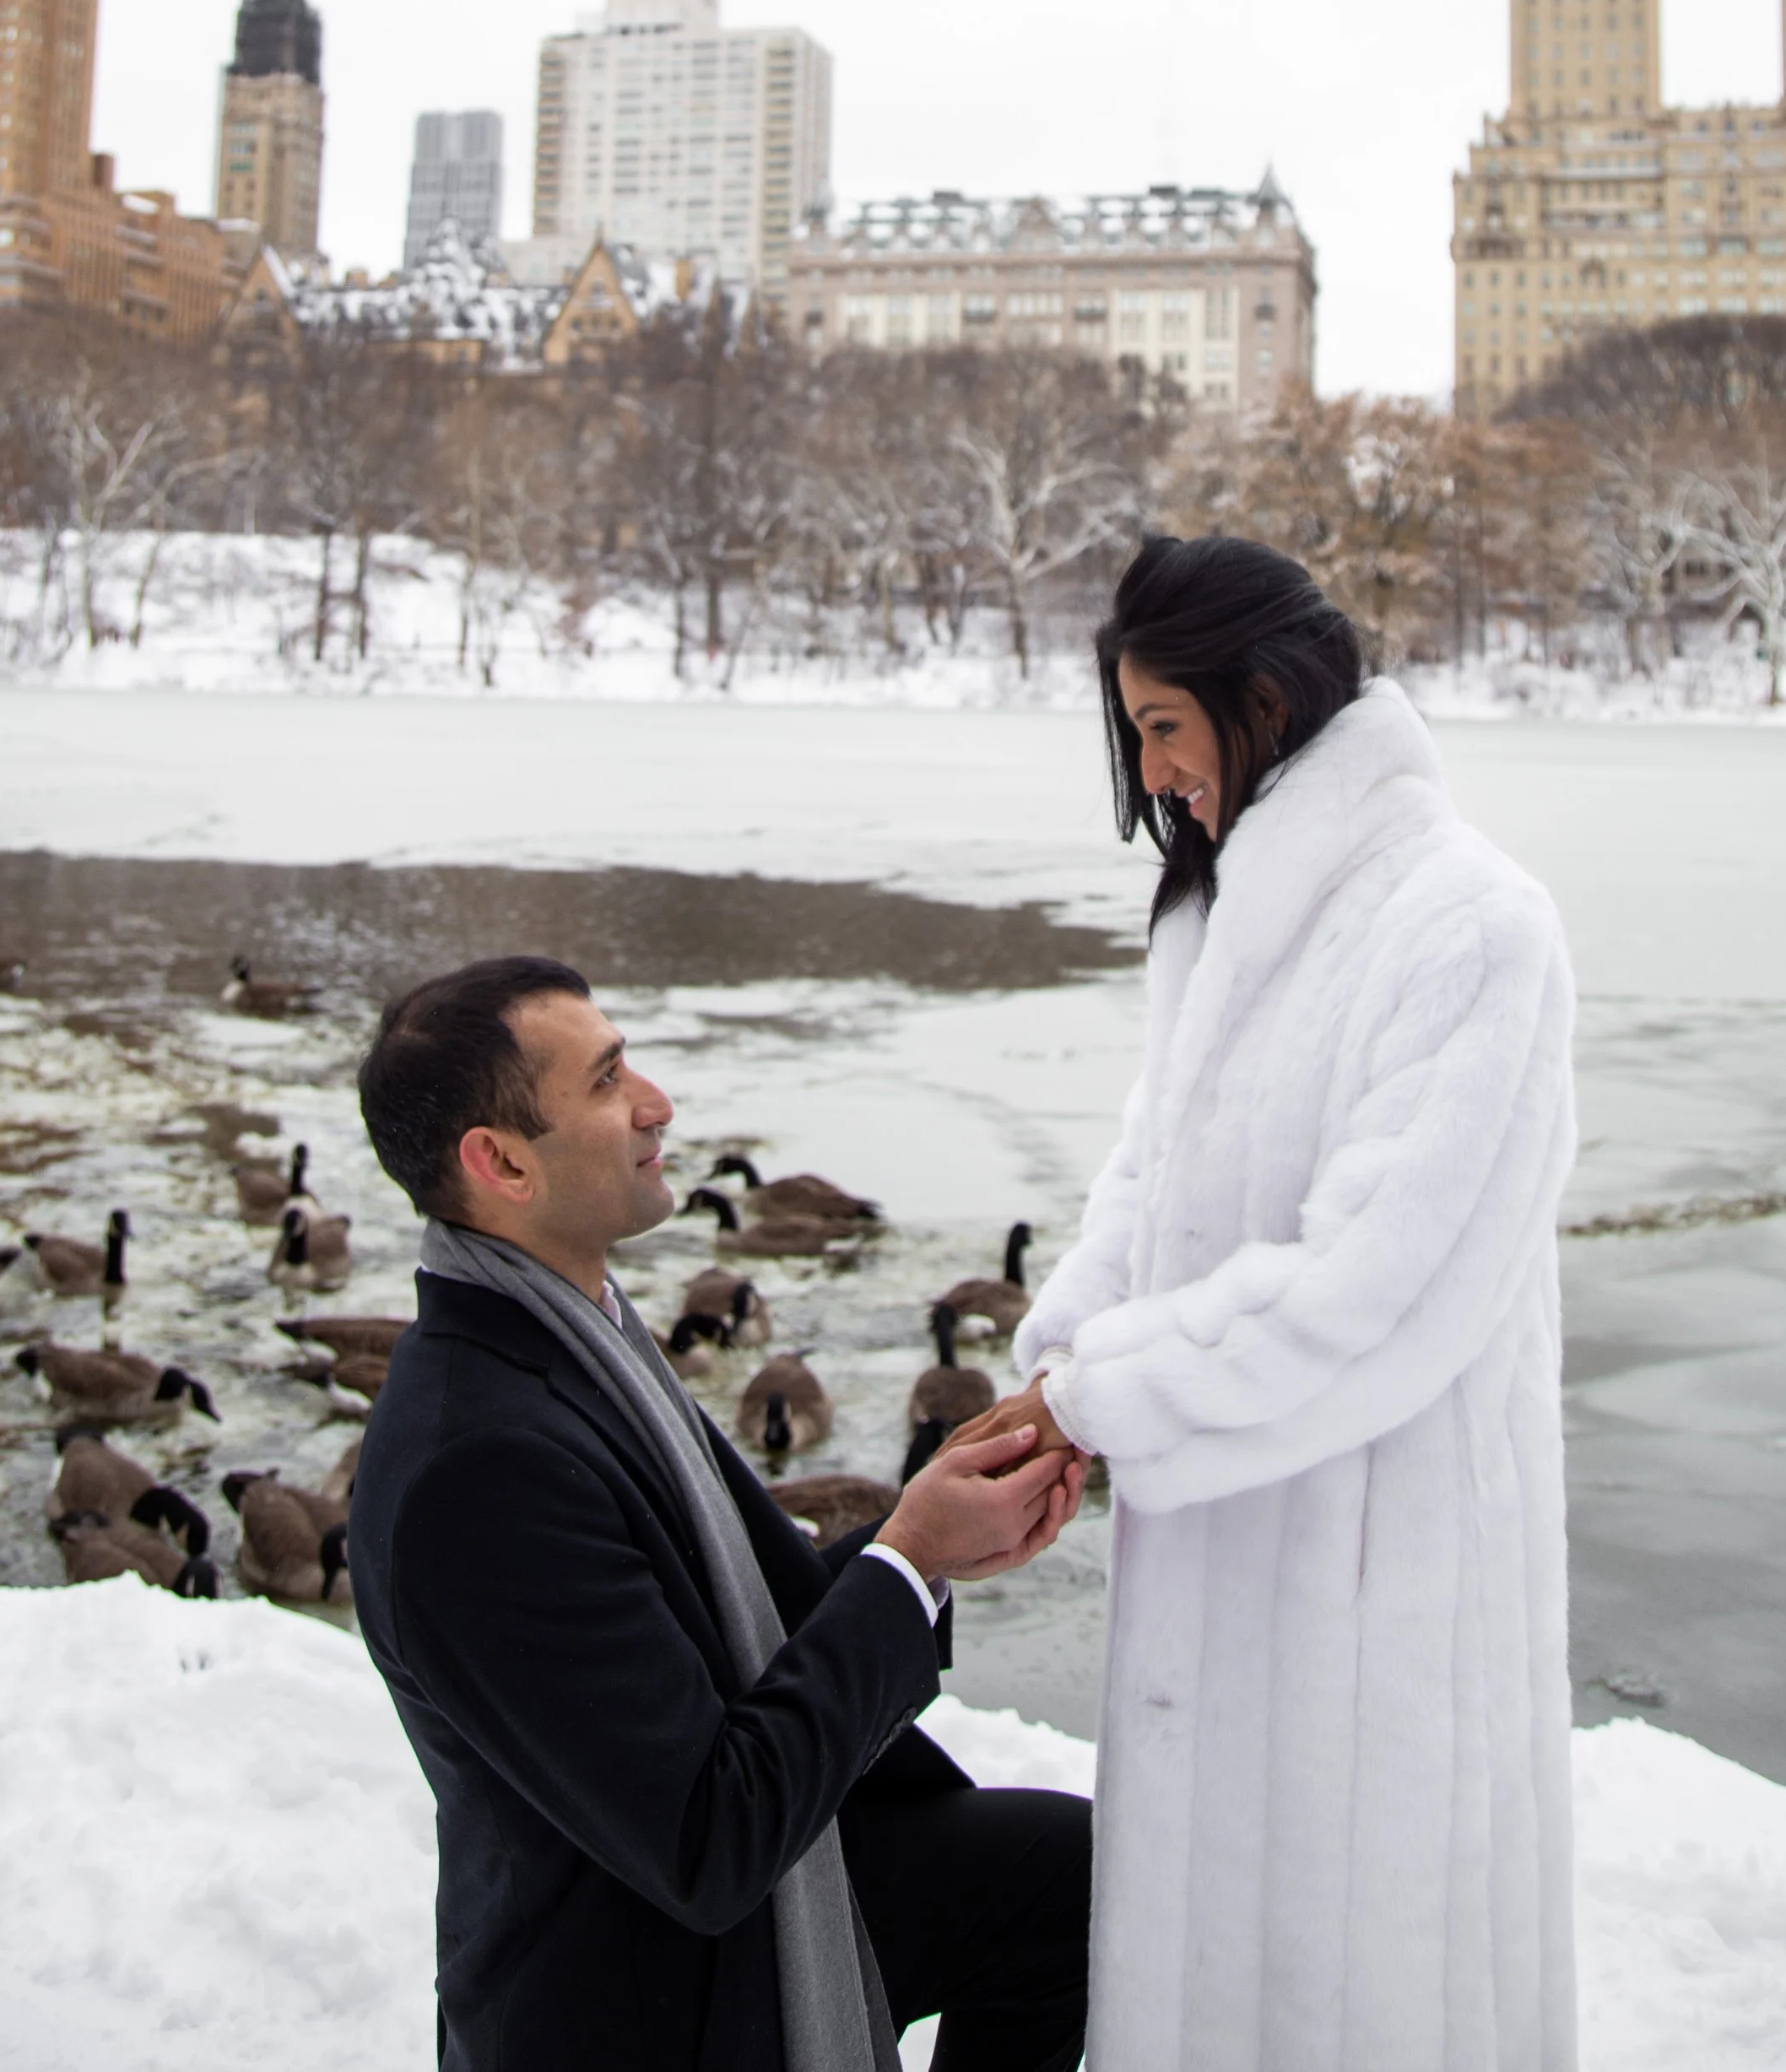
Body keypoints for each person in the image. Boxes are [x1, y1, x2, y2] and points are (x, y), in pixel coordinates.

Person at [950, 533, 1579, 2072]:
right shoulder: (1220, 919)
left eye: (1165, 726)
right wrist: (1059, 1351)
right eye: (1138, 733)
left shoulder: (1472, 927)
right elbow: (1150, 1180)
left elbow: (1374, 1287)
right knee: (1208, 1961)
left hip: (1380, 1578)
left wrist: (1109, 1396)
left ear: (1271, 695)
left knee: (1361, 1979)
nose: (1154, 772)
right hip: (1219, 1548)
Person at [347, 952, 1093, 2072]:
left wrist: (937, 1538)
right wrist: (903, 1560)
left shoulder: (576, 1332)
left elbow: (729, 1624)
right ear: (500, 1163)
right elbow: (707, 1834)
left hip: (695, 1897)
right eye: (605, 1083)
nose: (656, 1102)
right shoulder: (479, 1465)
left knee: (1063, 1880)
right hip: (639, 1988)